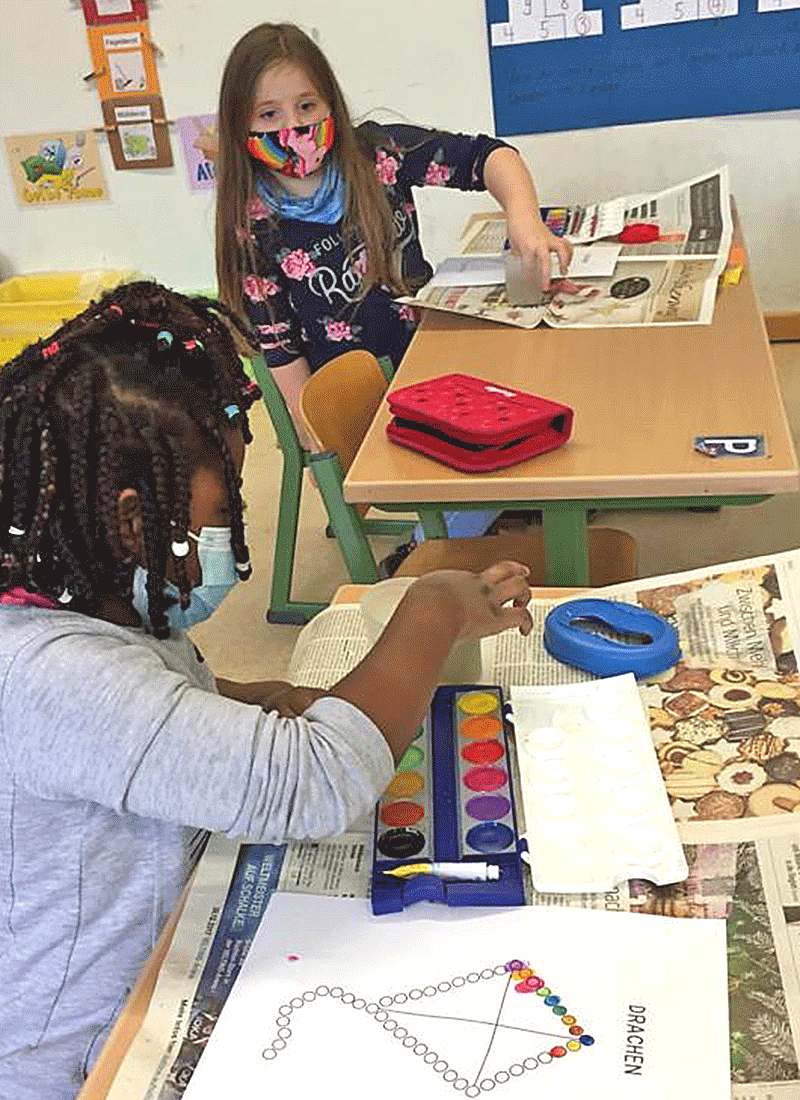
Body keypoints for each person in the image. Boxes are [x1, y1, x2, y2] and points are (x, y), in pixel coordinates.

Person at [0, 280, 533, 1100]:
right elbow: (315, 780)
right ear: (137, 522)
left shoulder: (72, 600)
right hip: (82, 1052)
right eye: (224, 508)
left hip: (155, 938)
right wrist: (429, 611)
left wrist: (240, 698)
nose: (231, 530)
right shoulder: (56, 677)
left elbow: (151, 707)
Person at [214, 22, 572, 574]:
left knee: (544, 392)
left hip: (429, 358)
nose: (295, 129)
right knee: (499, 451)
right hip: (366, 399)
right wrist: (318, 446)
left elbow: (488, 158)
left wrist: (523, 222)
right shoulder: (252, 222)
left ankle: (469, 518)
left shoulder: (375, 154)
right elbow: (279, 349)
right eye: (269, 116)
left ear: (330, 101)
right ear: (242, 125)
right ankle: (427, 546)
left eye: (307, 106)